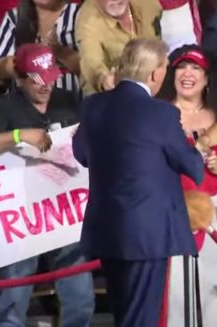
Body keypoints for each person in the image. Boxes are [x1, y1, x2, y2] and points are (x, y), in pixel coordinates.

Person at [73, 38, 204, 326]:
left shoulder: (93, 105)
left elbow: (81, 154)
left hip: (107, 230)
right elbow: (192, 166)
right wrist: (198, 149)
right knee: (140, 319)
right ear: (155, 73)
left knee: (124, 315)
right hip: (148, 234)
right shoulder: (162, 113)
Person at [0, 43, 95, 327]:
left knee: (81, 296)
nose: (45, 85)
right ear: (20, 78)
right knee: (13, 296)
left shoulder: (68, 100)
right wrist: (18, 135)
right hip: (22, 219)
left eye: (50, 77)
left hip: (65, 213)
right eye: (37, 79)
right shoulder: (4, 106)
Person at [157, 45, 217, 327]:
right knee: (175, 287)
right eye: (181, 67)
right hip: (172, 211)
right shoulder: (158, 114)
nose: (187, 73)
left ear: (206, 78)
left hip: (215, 211)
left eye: (195, 68)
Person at [0, 0, 81, 93]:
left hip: (72, 99)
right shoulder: (13, 17)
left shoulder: (79, 14)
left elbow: (90, 67)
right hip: (24, 102)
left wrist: (59, 51)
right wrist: (29, 61)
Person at [75, 0, 162, 95]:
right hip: (108, 95)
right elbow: (90, 60)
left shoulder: (149, 4)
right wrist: (104, 79)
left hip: (152, 85)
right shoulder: (88, 20)